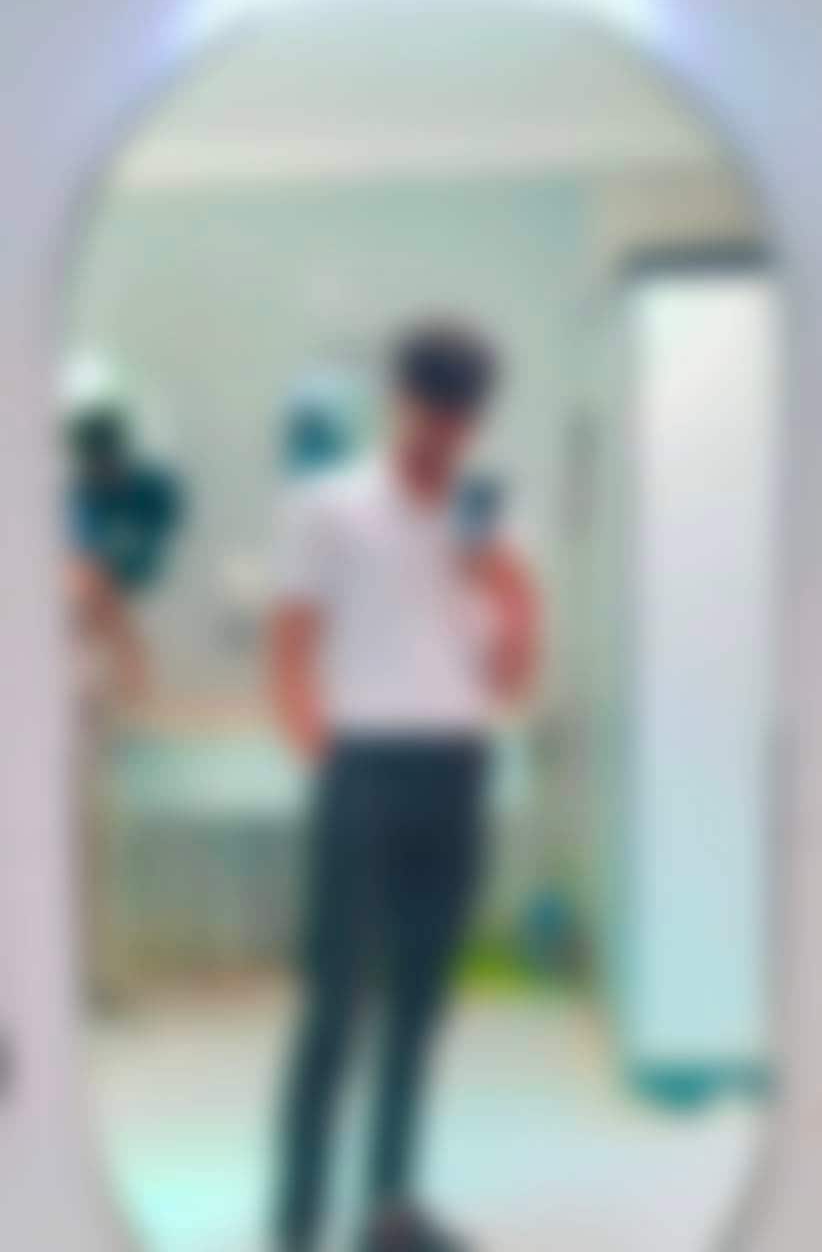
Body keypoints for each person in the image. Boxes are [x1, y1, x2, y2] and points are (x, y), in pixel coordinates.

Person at [270, 318, 540, 1252]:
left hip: (457, 768)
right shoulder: (328, 505)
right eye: (429, 413)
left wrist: (511, 589)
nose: (442, 436)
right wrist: (318, 743)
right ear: (400, 400)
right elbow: (291, 640)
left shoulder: (490, 522)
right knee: (334, 1008)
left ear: (477, 420)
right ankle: (297, 1219)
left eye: (459, 420)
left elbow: (511, 680)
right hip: (365, 766)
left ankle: (390, 1209)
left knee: (420, 1009)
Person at [62, 356, 185, 1007]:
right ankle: (88, 975)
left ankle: (93, 976)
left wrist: (131, 658)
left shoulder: (138, 494)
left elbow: (98, 586)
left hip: (81, 676)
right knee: (81, 839)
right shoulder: (62, 501)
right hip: (73, 671)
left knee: (88, 838)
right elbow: (92, 585)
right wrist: (132, 656)